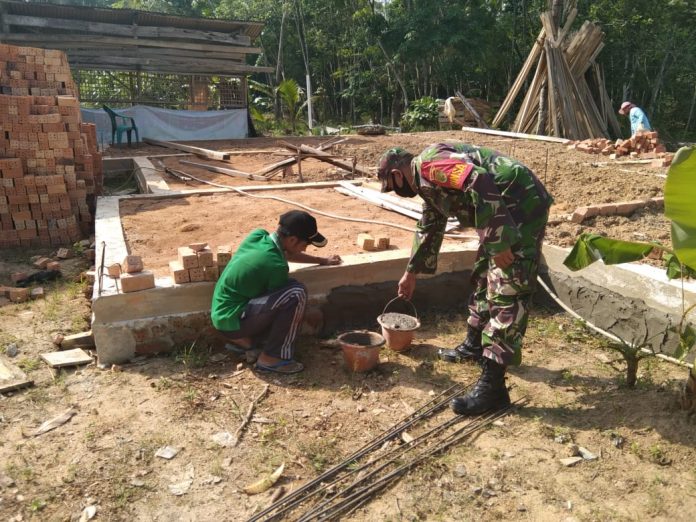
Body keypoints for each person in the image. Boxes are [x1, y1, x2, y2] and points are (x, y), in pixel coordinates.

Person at [377, 143, 552, 415]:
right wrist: (410, 274)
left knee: (507, 288)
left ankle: (493, 388)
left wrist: (498, 238)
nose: (395, 192)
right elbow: (429, 226)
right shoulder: (427, 184)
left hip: (520, 204)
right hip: (502, 207)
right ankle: (474, 346)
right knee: (483, 272)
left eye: (390, 186)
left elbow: (477, 178)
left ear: (397, 175)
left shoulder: (430, 165)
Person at [211, 210, 341, 374]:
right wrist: (306, 313)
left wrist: (321, 260)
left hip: (223, 315)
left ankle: (249, 344)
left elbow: (283, 254)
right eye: (305, 245)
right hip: (234, 321)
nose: (304, 249)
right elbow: (281, 305)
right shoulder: (276, 266)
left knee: (290, 288)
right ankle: (273, 358)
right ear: (292, 240)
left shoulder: (258, 237)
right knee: (295, 293)